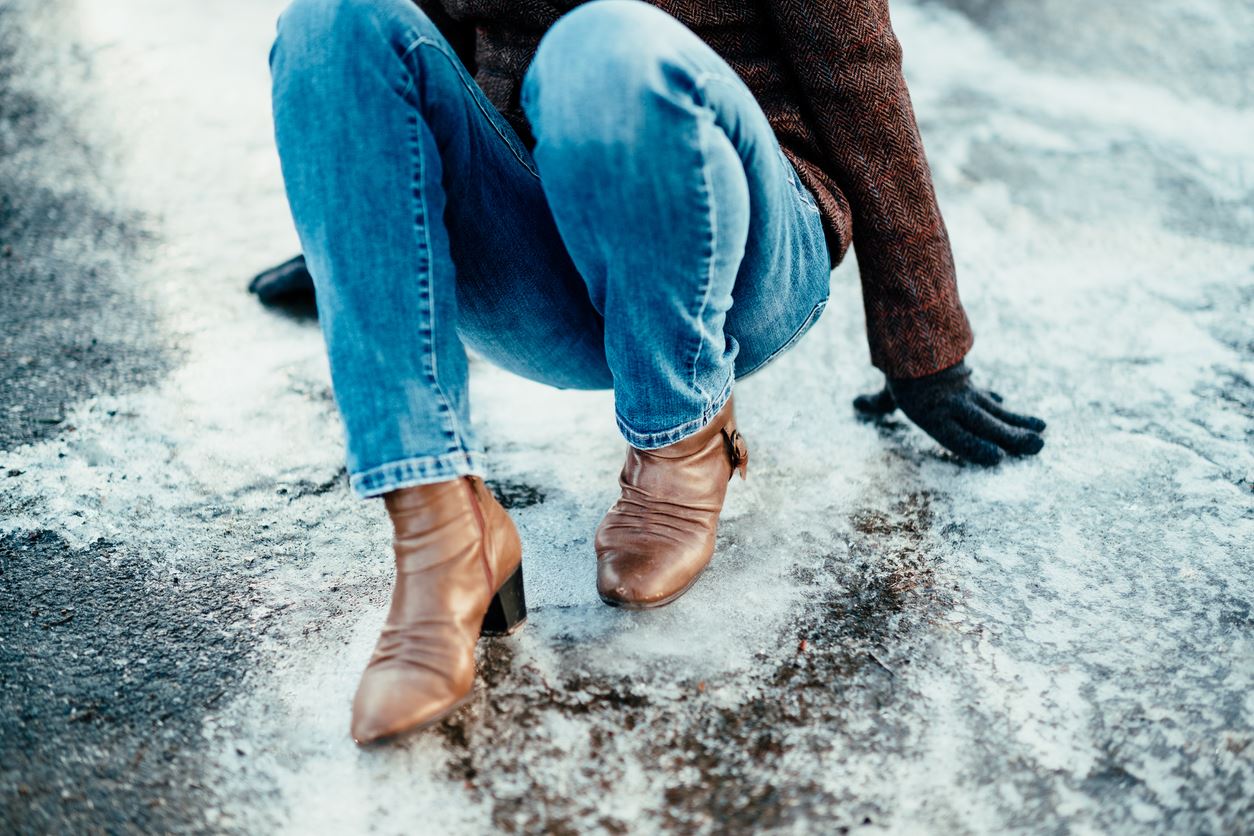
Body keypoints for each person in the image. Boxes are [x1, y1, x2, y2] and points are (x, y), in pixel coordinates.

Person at [267, 0, 1046, 744]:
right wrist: (360, 231)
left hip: (741, 245)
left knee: (603, 48)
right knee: (330, 19)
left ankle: (682, 440)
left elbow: (856, 68)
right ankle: (440, 528)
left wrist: (925, 344)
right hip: (540, 257)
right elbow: (407, 48)